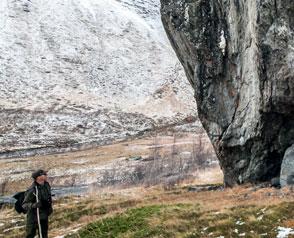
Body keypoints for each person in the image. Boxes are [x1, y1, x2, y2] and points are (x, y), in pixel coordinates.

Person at [22, 169, 53, 238]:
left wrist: (49, 208)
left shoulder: (46, 185)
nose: (46, 175)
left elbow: (49, 197)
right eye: (44, 174)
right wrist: (34, 205)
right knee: (30, 235)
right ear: (38, 177)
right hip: (33, 217)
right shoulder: (32, 190)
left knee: (44, 235)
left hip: (44, 215)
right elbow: (24, 205)